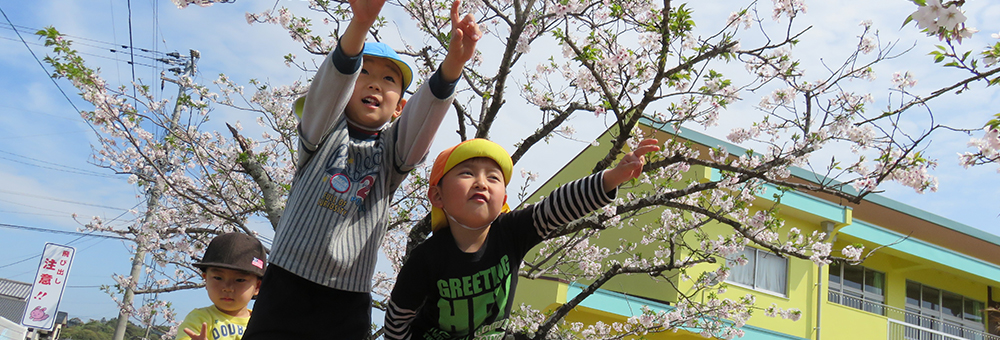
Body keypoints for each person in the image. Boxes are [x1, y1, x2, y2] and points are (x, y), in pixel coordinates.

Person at [242, 0, 482, 338]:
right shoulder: (320, 133)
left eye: (388, 79)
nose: (375, 84)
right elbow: (329, 88)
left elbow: (422, 120)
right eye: (364, 73)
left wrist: (453, 64)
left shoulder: (391, 156)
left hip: (349, 294)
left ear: (399, 107)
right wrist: (360, 24)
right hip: (287, 281)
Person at [384, 138, 661, 339]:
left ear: (503, 199)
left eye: (493, 178)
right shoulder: (428, 258)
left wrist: (612, 177)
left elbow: (557, 206)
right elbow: (397, 321)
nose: (481, 182)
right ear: (437, 196)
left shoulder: (510, 232)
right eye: (467, 173)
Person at [176, 232, 267, 340]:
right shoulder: (200, 319)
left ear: (257, 286)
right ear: (206, 279)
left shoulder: (263, 325)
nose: (227, 287)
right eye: (218, 278)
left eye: (240, 280)